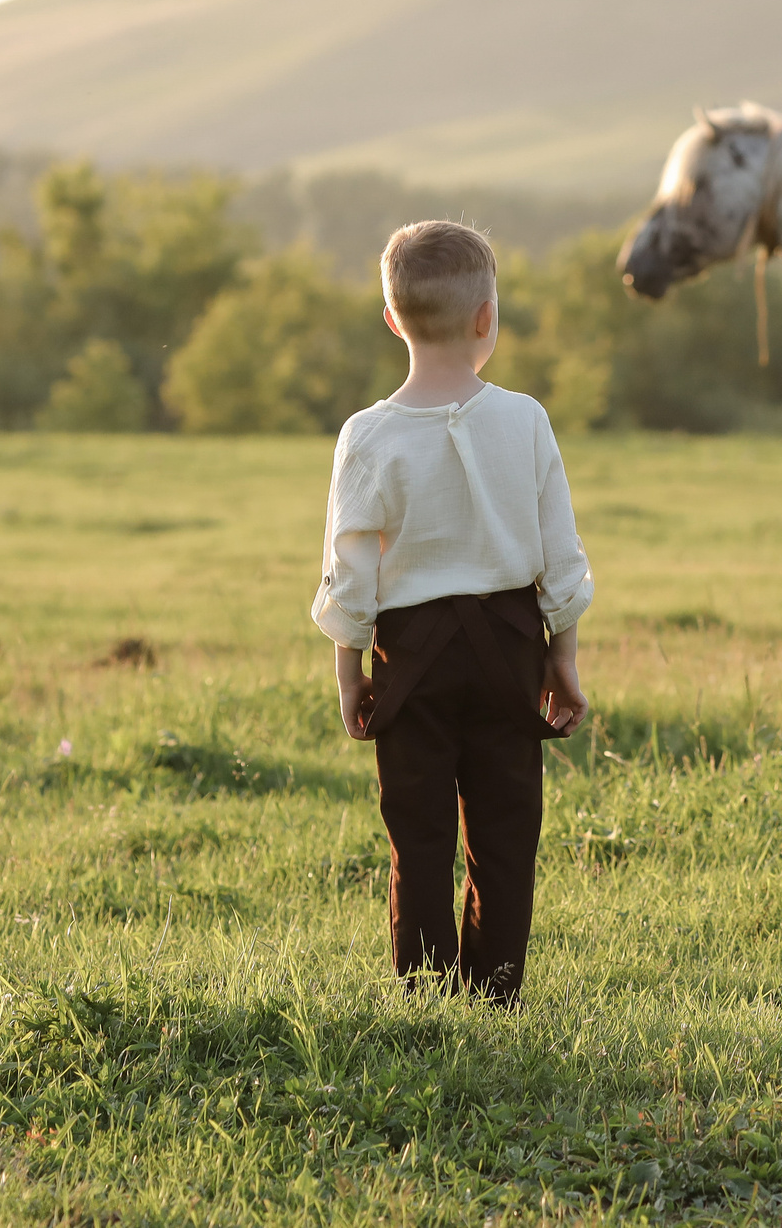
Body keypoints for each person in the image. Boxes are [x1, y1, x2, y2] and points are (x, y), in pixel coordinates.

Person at [310, 220, 591, 1006]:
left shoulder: (367, 434)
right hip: (510, 650)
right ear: (486, 319)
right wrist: (562, 658)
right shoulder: (525, 420)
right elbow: (559, 555)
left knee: (420, 834)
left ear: (392, 318)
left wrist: (349, 672)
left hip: (412, 658)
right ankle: (497, 990)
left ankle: (428, 997)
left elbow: (350, 568)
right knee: (506, 833)